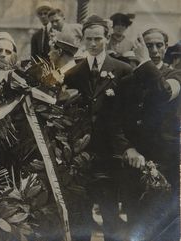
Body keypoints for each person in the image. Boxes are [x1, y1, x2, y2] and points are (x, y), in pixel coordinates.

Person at [64, 15, 135, 241]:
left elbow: (129, 115)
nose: (93, 44)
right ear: (83, 40)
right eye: (88, 39)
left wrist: (126, 146)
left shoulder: (123, 70)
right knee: (81, 213)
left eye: (98, 39)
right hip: (81, 153)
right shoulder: (73, 74)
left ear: (107, 39)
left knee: (110, 211)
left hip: (110, 153)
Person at [120, 28, 181, 241]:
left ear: (166, 48)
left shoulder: (176, 75)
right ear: (140, 47)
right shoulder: (129, 80)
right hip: (137, 160)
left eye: (159, 45)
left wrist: (145, 62)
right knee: (136, 220)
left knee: (166, 220)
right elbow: (118, 121)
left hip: (167, 160)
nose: (154, 50)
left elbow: (163, 92)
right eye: (149, 46)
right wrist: (128, 147)